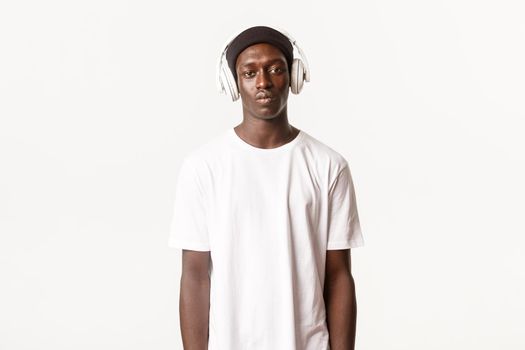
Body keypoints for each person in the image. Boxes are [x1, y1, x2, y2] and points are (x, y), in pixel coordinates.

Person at [168, 25, 365, 350]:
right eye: (250, 72)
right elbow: (194, 277)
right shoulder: (202, 167)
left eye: (276, 69)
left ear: (294, 77)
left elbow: (339, 277)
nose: (263, 82)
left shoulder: (329, 165)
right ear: (233, 82)